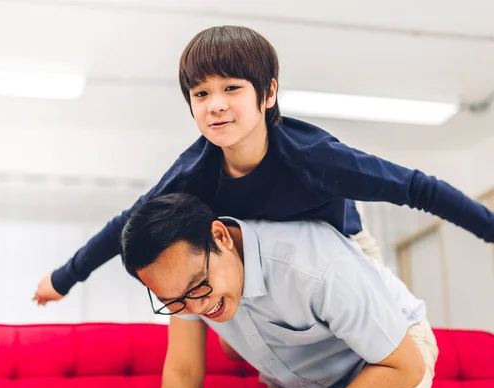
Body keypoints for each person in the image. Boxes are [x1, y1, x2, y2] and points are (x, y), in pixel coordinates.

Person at [33, 25, 494, 305]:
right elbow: (128, 224)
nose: (215, 105)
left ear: (268, 93)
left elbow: (418, 188)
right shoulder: (193, 172)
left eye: (231, 88)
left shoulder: (315, 158)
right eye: (201, 94)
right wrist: (63, 277)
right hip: (267, 263)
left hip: (342, 249)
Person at [120, 193, 438, 388]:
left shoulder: (313, 264)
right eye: (174, 302)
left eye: (198, 287)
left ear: (220, 236)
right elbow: (183, 373)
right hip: (297, 385)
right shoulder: (182, 284)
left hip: (389, 355)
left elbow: (405, 367)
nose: (196, 307)